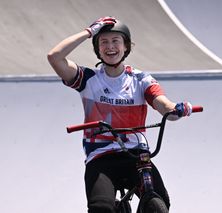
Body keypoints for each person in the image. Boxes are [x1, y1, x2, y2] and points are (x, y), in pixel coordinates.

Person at [47, 16, 193, 213]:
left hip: (136, 156)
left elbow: (163, 104)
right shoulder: (88, 79)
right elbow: (54, 56)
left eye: (116, 41)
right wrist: (89, 32)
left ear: (126, 47)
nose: (110, 47)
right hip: (101, 157)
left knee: (160, 203)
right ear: (98, 50)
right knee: (101, 209)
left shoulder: (141, 79)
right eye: (103, 42)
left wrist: (175, 108)